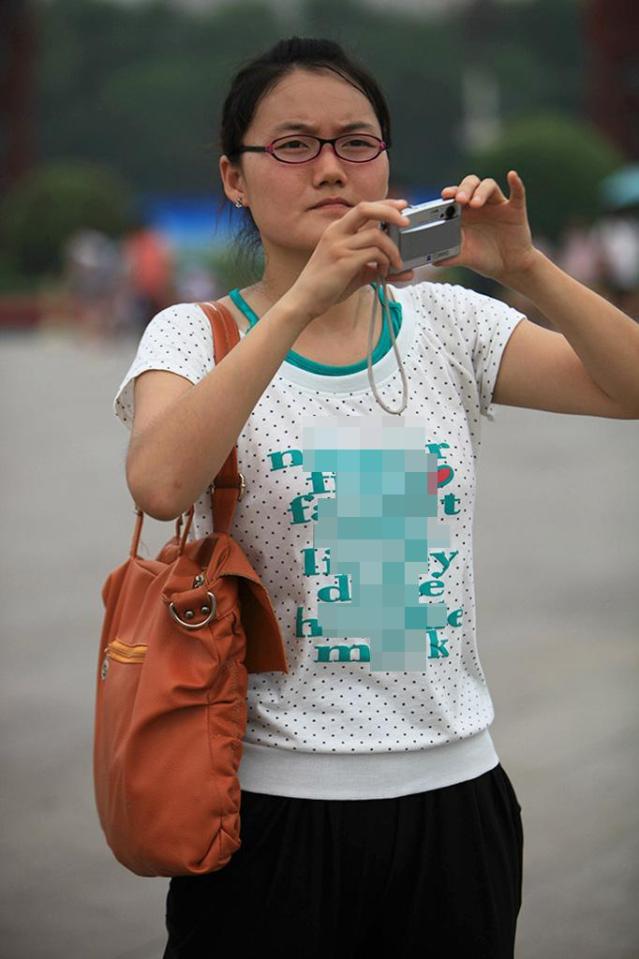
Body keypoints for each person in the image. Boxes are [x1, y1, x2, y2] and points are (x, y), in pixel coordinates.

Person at [111, 37, 639, 959]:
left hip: (456, 800)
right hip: (270, 813)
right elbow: (159, 482)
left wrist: (525, 267)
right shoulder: (193, 333)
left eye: (356, 142)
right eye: (292, 145)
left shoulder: (446, 323)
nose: (329, 167)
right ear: (233, 179)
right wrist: (298, 303)